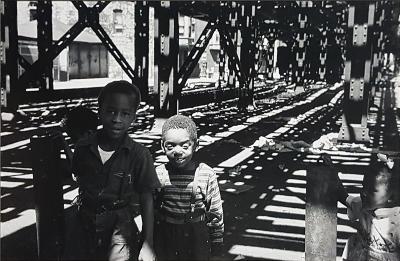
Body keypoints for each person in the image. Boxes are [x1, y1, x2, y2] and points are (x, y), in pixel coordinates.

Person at [71, 80, 160, 261]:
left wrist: (147, 242)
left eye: (125, 114)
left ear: (133, 118)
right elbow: (78, 176)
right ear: (99, 112)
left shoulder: (139, 155)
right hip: (84, 223)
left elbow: (146, 197)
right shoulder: (83, 147)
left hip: (120, 228)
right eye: (110, 111)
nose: (117, 119)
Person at [154, 115, 224, 260]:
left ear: (196, 145)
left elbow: (216, 214)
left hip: (197, 239)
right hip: (166, 238)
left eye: (185, 146)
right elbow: (150, 211)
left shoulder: (207, 174)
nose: (178, 151)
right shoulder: (159, 174)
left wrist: (217, 250)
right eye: (170, 146)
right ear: (162, 146)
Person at [341, 155, 400, 261]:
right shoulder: (363, 205)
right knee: (353, 241)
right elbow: (345, 198)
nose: (363, 192)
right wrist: (331, 171)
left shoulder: (397, 223)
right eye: (363, 186)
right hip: (360, 256)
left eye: (372, 190)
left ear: (391, 197)